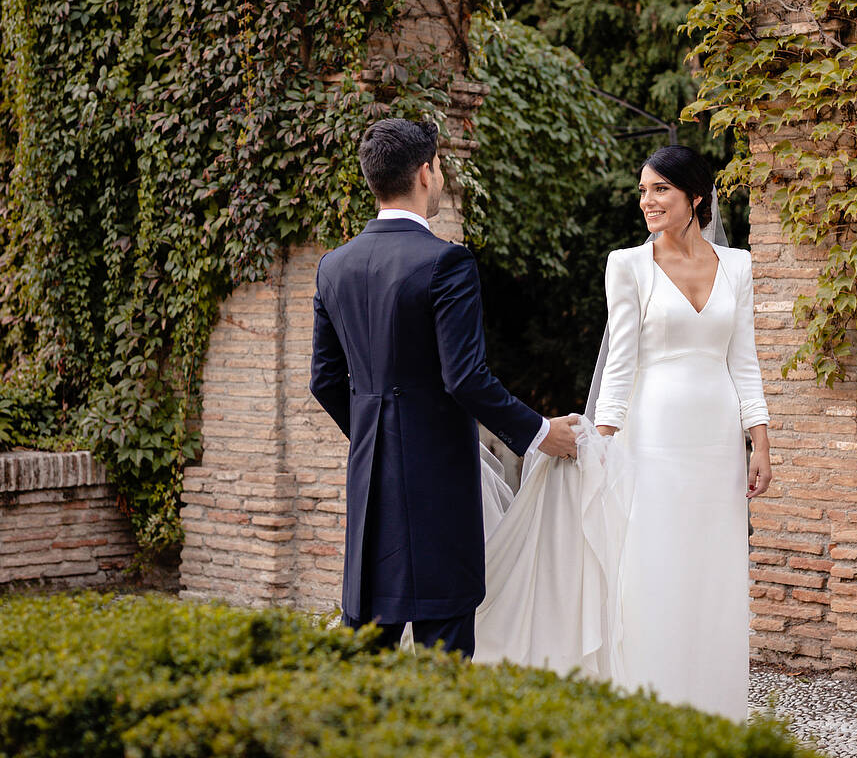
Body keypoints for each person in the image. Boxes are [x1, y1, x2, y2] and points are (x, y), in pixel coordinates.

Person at [475, 144, 772, 724]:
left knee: (712, 575)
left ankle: (715, 714)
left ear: (694, 196)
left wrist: (759, 442)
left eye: (660, 189)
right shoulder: (626, 265)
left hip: (717, 446)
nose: (647, 201)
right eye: (643, 190)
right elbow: (620, 367)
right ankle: (649, 707)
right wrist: (601, 443)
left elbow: (745, 363)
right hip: (652, 438)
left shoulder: (738, 266)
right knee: (652, 571)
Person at [309, 117, 579, 659]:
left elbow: (324, 380)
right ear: (427, 173)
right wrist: (540, 431)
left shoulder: (333, 266)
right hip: (438, 484)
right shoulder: (446, 262)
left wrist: (372, 432)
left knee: (368, 644)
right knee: (445, 648)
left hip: (370, 478)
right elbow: (465, 378)